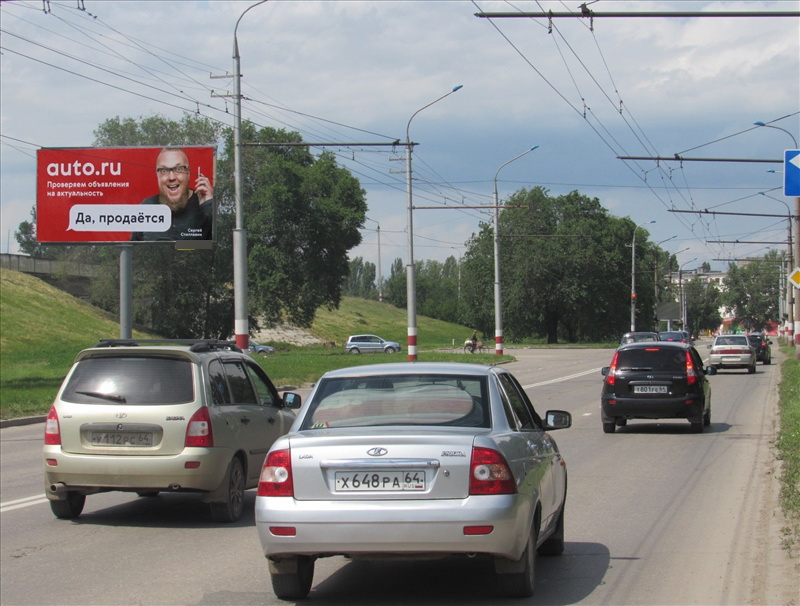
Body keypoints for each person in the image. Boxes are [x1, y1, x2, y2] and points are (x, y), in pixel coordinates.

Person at [131, 147, 213, 241]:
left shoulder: (204, 205)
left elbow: (214, 250)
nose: (171, 177)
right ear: (157, 175)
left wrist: (209, 207)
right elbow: (132, 250)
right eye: (164, 170)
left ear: (188, 173)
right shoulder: (147, 206)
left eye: (178, 169)